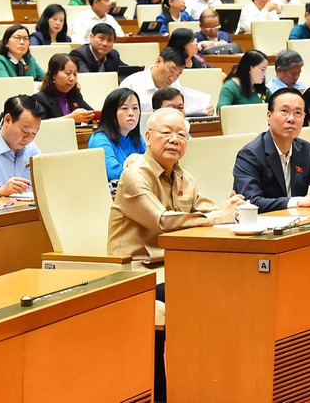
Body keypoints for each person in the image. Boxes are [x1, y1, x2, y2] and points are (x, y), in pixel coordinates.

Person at [108, 106, 245, 400]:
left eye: (181, 134)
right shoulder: (135, 176)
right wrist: (217, 217)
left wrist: (234, 210)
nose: (174, 139)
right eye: (166, 132)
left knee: (235, 287)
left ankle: (213, 386)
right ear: (147, 136)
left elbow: (210, 211)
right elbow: (162, 221)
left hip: (175, 266)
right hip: (136, 271)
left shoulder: (185, 177)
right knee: (201, 296)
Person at [233, 87, 310, 212]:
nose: (291, 119)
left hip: (299, 223)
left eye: (298, 113)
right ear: (269, 116)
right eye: (284, 111)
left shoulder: (304, 150)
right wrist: (298, 202)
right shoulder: (250, 154)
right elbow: (250, 202)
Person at [0, 95, 44, 197]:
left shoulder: (31, 149)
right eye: (24, 131)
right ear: (7, 120)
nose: (29, 139)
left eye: (34, 133)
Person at [120, 48, 213, 115]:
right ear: (159, 61)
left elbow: (184, 107)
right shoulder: (131, 85)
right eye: (171, 71)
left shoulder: (174, 85)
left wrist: (204, 109)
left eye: (178, 75)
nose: (172, 79)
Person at [87, 88, 144, 180]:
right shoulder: (99, 139)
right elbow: (113, 173)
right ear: (111, 113)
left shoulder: (137, 138)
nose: (131, 113)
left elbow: (155, 164)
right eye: (124, 108)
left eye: (135, 108)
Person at [31, 54, 94, 121]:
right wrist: (71, 118)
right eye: (67, 73)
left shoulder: (75, 96)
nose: (72, 78)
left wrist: (95, 119)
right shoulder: (40, 99)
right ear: (53, 74)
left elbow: (90, 113)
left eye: (75, 74)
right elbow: (41, 125)